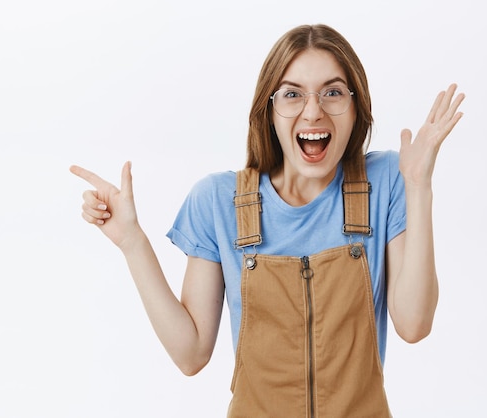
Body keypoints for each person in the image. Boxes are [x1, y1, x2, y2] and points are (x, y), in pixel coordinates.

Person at [70, 24, 464, 417]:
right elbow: (190, 355)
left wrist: (418, 186)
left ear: (355, 105)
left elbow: (414, 325)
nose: (313, 110)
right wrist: (132, 242)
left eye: (332, 92)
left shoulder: (388, 180)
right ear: (269, 109)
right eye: (292, 94)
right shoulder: (217, 201)